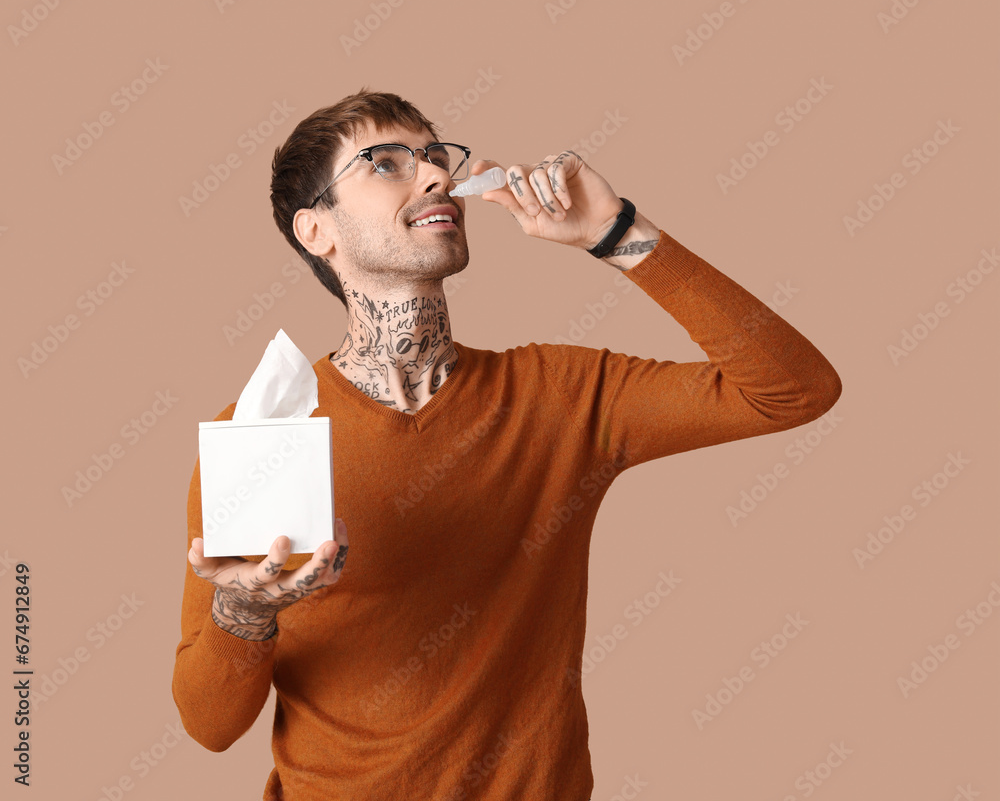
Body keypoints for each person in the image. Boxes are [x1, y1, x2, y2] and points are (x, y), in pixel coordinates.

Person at [172, 87, 842, 800]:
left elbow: (793, 389)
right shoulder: (265, 436)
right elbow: (209, 725)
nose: (436, 175)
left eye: (436, 156)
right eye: (386, 162)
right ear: (316, 232)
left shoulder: (561, 394)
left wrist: (615, 233)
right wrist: (245, 612)